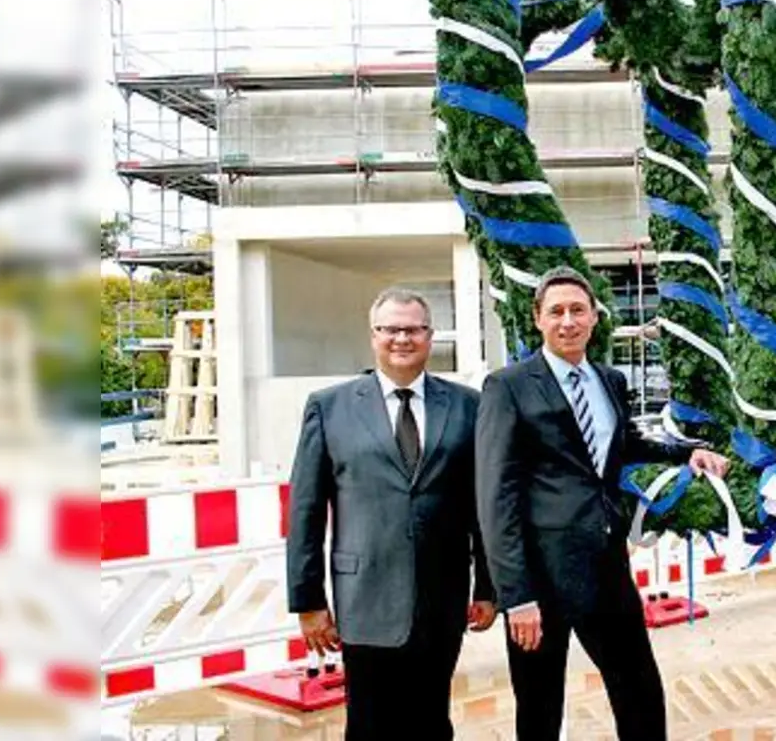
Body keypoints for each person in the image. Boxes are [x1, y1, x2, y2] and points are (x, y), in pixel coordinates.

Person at [475, 265, 731, 741]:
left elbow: (623, 443)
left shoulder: (610, 380)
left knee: (639, 694)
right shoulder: (507, 386)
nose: (567, 321)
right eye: (556, 312)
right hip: (542, 579)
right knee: (539, 708)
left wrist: (686, 452)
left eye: (578, 310)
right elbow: (495, 496)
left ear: (595, 317)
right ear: (537, 319)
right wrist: (516, 597)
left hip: (607, 567)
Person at [285, 287, 498, 740]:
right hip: (365, 597)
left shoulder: (467, 406)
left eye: (414, 329)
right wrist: (308, 601)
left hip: (442, 597)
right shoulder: (329, 407)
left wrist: (488, 585)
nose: (402, 338)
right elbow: (306, 511)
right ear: (374, 335)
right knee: (369, 724)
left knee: (432, 722)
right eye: (391, 329)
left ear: (430, 336)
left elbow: (480, 503)